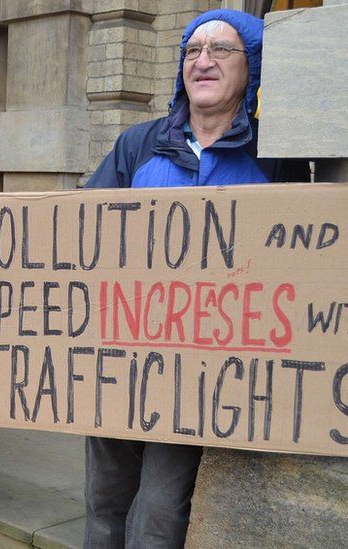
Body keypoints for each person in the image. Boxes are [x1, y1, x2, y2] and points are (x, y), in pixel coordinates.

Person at [81, 10, 308, 549]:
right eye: (192, 51)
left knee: (160, 514)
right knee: (104, 506)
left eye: (221, 51)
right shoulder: (138, 145)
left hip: (201, 373)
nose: (202, 61)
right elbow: (67, 242)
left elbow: (298, 267)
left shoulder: (274, 159)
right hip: (117, 358)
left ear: (250, 67)